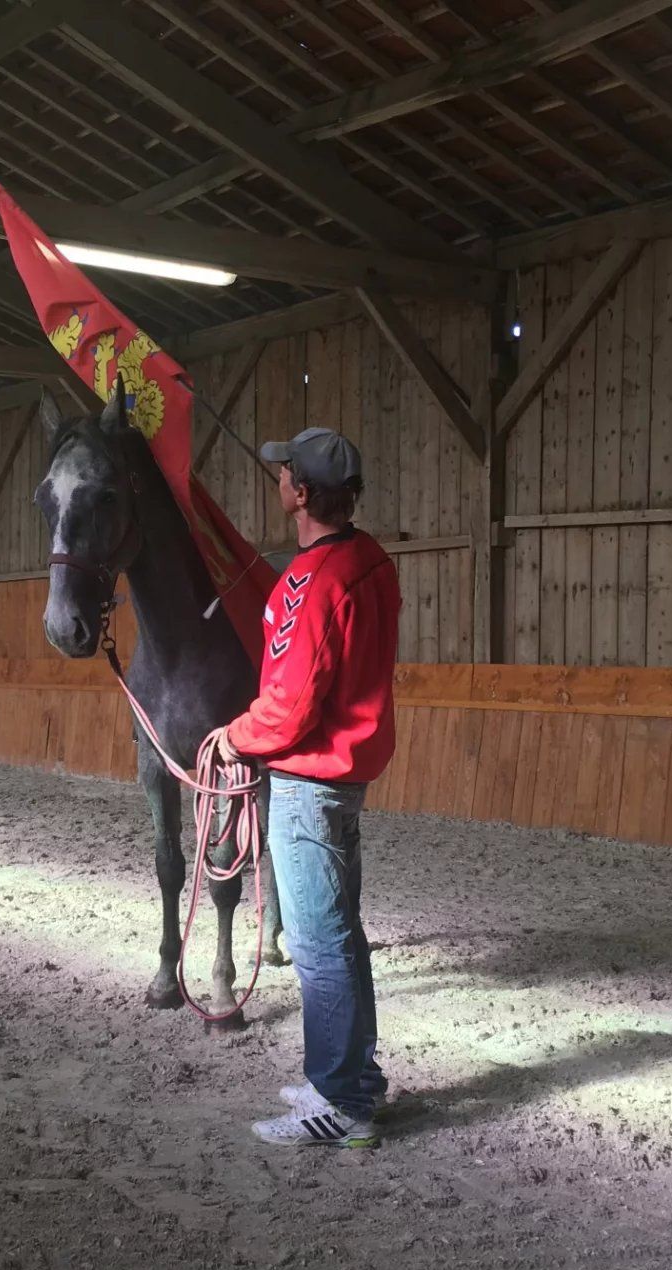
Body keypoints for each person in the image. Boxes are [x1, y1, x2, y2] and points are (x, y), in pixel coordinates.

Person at [208, 426, 402, 1149]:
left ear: (301, 492)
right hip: (345, 775)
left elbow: (289, 705)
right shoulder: (371, 562)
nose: (278, 478)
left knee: (320, 944)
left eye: (285, 471)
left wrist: (234, 737)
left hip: (306, 783)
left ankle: (341, 1100)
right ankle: (348, 1074)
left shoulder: (309, 582)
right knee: (340, 937)